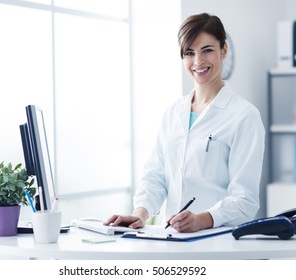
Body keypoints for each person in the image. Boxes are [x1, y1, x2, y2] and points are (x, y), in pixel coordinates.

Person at [104, 13, 265, 233]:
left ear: (223, 50)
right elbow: (155, 176)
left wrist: (204, 218)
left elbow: (245, 199)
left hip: (217, 241)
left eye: (207, 50)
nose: (198, 61)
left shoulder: (244, 116)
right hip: (172, 239)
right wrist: (139, 213)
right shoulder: (173, 113)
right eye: (189, 53)